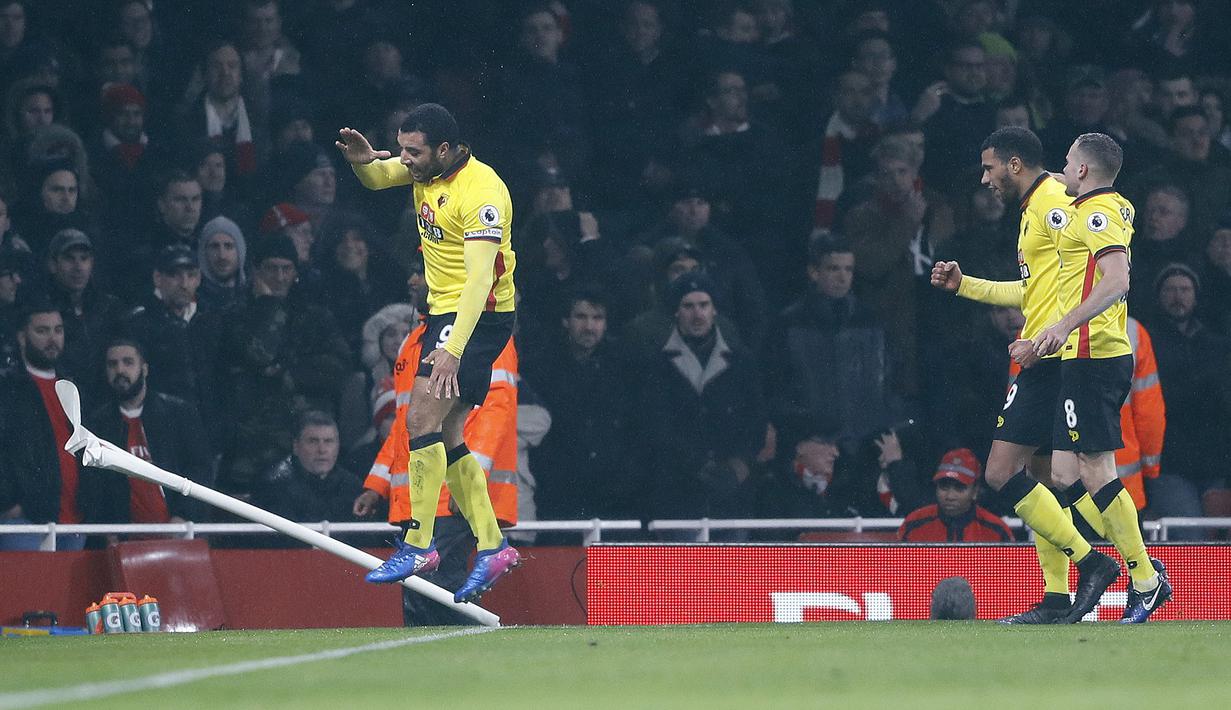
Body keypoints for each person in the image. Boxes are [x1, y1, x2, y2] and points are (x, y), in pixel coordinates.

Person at [930, 127, 1120, 624]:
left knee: (1001, 473)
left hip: (1055, 356)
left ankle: (1103, 563)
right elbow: (1034, 291)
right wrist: (965, 285)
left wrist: (1044, 339)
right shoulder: (1037, 206)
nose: (984, 178)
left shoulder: (1056, 204)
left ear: (1014, 164)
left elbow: (1085, 281)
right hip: (1046, 353)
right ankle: (1057, 598)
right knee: (1040, 478)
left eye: (989, 167)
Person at [337, 103, 520, 602]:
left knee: (421, 421)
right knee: (447, 428)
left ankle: (419, 543)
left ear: (444, 149)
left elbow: (481, 280)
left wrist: (453, 350)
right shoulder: (429, 167)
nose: (405, 161)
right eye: (402, 150)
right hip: (447, 314)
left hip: (477, 315)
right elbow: (377, 179)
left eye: (412, 153)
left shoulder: (482, 191)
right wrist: (360, 162)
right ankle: (492, 544)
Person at [79, 340, 214, 527]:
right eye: (113, 364)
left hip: (179, 532)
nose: (120, 370)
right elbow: (95, 487)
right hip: (124, 539)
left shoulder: (178, 414)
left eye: (128, 362)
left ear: (144, 369)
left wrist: (183, 516)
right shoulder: (98, 423)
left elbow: (200, 469)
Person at [0, 303, 85, 550]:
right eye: (42, 331)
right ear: (22, 336)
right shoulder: (7, 389)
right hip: (25, 520)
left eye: (58, 330)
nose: (52, 338)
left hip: (75, 520)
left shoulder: (74, 386)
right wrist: (8, 501)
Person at [252, 410, 365, 548]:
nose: (322, 449)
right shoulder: (274, 486)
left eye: (328, 441)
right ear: (296, 446)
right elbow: (276, 543)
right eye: (313, 441)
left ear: (338, 446)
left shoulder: (353, 486)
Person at [898, 449, 1013, 542]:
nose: (950, 496)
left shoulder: (997, 531)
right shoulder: (913, 525)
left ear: (975, 491)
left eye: (959, 488)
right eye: (944, 486)